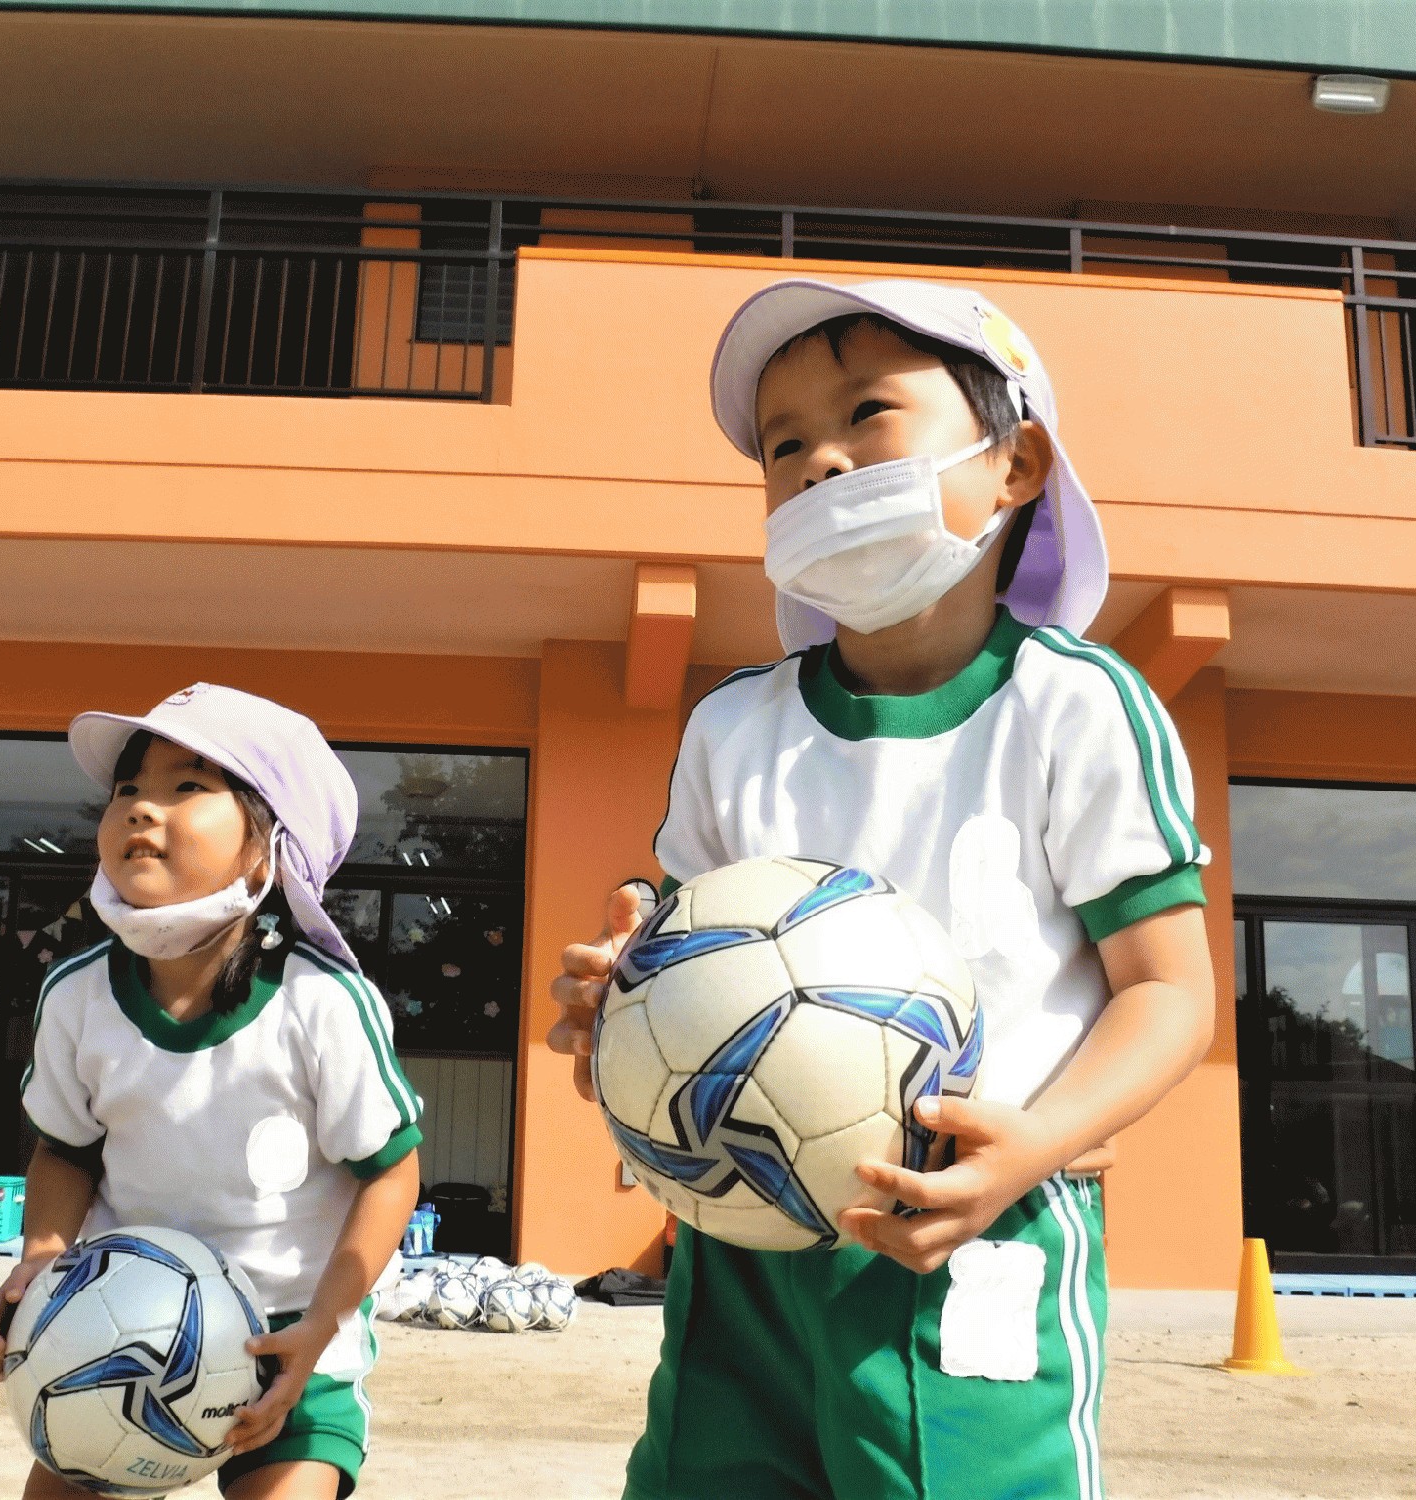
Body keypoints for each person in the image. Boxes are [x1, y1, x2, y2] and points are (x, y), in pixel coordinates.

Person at [549, 280, 1216, 1500]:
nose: (819, 462)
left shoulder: (1075, 705)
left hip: (972, 1225)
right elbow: (680, 967)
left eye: (866, 414)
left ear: (1012, 465)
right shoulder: (730, 727)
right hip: (738, 1235)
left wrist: (1035, 1145)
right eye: (783, 443)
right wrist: (618, 1009)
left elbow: (1168, 992)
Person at [0, 684, 422, 1500]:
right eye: (128, 790)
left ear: (268, 845)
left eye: (187, 787)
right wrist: (40, 1259)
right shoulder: (77, 996)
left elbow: (390, 1171)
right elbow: (65, 1150)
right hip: (117, 1325)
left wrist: (322, 1326)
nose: (143, 810)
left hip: (287, 1345)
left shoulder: (321, 1000)